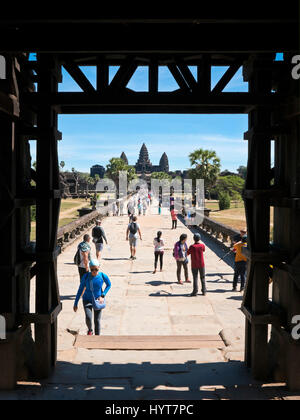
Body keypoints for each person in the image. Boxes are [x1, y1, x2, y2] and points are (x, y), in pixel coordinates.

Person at [73, 259, 111, 336]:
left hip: (98, 300)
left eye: (96, 269)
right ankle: (90, 330)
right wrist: (75, 303)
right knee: (88, 317)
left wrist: (103, 295)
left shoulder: (102, 276)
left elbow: (109, 285)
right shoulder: (86, 276)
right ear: (90, 268)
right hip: (87, 300)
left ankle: (97, 337)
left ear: (99, 267)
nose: (94, 271)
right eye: (92, 269)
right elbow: (80, 289)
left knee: (97, 320)